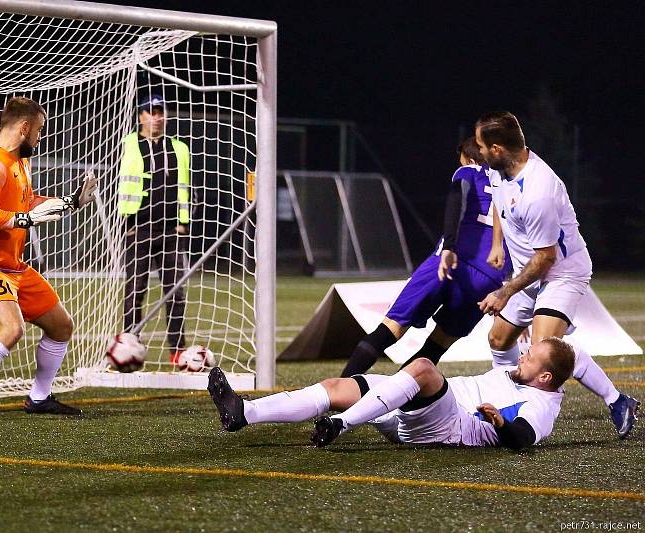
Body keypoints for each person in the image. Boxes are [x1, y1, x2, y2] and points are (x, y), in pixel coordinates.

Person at [474, 111, 639, 438]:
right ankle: (510, 396)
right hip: (529, 271)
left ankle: (617, 400)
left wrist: (505, 291)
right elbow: (499, 202)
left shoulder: (539, 190)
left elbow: (546, 258)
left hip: (560, 272)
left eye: (481, 146)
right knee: (498, 339)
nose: (477, 152)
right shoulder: (500, 170)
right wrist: (497, 244)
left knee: (545, 350)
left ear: (496, 149)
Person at [0, 96, 97, 422]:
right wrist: (24, 220)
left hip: (13, 265)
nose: (40, 138)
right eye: (39, 130)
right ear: (24, 127)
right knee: (10, 328)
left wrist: (71, 202)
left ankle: (39, 398)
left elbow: (29, 203)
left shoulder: (20, 165)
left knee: (61, 326)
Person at [209, 337, 575, 450]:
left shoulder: (541, 403)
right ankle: (245, 414)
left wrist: (499, 423)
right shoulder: (521, 375)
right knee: (341, 385)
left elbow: (524, 438)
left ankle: (340, 425)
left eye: (531, 358)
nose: (522, 355)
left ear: (544, 376)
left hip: (449, 427)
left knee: (423, 369)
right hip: (420, 412)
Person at [340, 137, 510, 377]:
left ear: (472, 159)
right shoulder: (513, 184)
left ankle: (338, 391)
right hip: (489, 277)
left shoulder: (470, 171)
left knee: (391, 328)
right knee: (437, 345)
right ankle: (391, 400)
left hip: (451, 261)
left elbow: (456, 200)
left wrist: (450, 245)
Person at [117, 93, 191, 363]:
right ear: (141, 117)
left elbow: (184, 187)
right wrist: (129, 223)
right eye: (151, 112)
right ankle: (129, 343)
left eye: (160, 112)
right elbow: (124, 185)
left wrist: (183, 224)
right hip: (140, 229)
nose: (156, 117)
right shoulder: (129, 144)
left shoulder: (179, 148)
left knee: (175, 291)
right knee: (135, 290)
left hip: (172, 231)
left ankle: (177, 350)